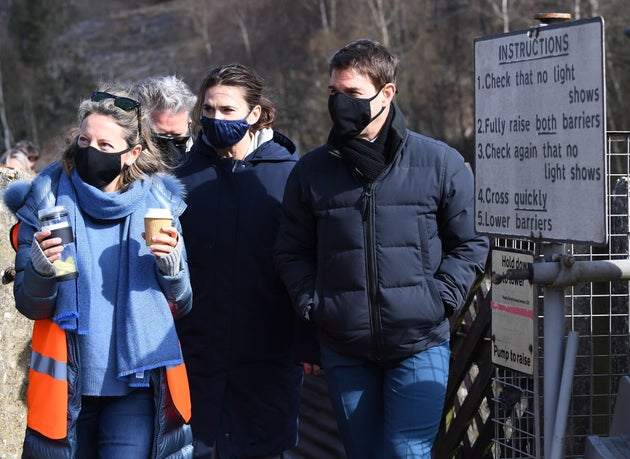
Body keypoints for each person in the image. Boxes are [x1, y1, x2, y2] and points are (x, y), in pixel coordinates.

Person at [274, 39, 490, 459]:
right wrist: (314, 304)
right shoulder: (312, 171)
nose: (340, 103)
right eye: (334, 93)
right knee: (364, 451)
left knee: (406, 451)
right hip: (344, 346)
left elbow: (470, 242)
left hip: (419, 341)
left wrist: (440, 298)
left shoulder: (439, 162)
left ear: (386, 93)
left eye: (353, 94)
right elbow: (291, 250)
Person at [4, 81, 194, 458]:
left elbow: (182, 303)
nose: (92, 152)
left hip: (137, 390)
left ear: (133, 152)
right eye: (86, 142)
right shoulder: (45, 200)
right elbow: (30, 304)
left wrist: (172, 267)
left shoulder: (160, 204)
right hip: (65, 387)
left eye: (106, 146)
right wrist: (41, 269)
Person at [175, 63, 306, 459]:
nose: (216, 118)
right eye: (209, 109)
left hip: (267, 358)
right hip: (194, 355)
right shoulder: (179, 178)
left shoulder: (289, 177)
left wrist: (309, 339)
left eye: (228, 110)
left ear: (254, 114)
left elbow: (306, 262)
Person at [135, 75, 197, 167]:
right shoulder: (129, 162)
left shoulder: (207, 162)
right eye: (159, 138)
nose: (170, 148)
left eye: (178, 138)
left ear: (189, 124)